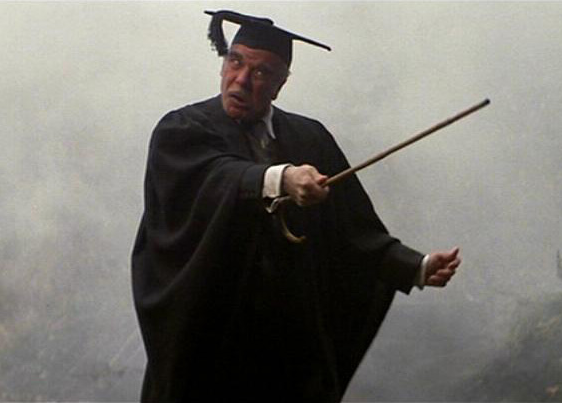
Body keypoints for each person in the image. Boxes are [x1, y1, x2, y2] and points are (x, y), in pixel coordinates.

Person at [131, 10, 461, 402]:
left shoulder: (309, 138)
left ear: (280, 84)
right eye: (235, 62)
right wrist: (281, 178)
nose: (241, 80)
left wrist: (415, 266)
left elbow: (352, 230)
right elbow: (216, 177)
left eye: (260, 72)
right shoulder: (183, 131)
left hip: (289, 350)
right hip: (211, 345)